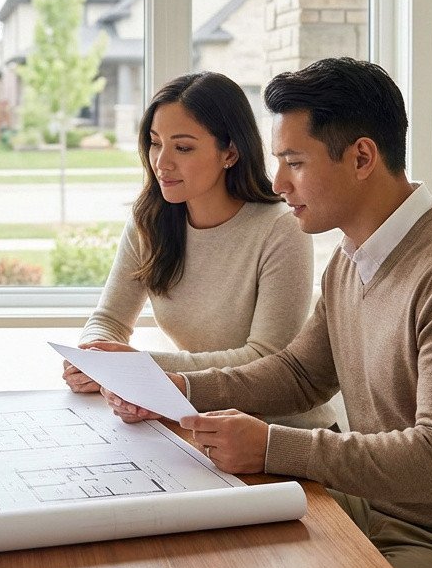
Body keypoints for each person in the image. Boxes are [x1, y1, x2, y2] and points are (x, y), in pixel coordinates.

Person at [105, 58, 432, 568]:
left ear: (362, 157)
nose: (277, 183)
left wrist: (272, 445)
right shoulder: (352, 258)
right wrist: (182, 392)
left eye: (295, 162)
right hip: (385, 513)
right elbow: (300, 373)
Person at [64, 71, 336, 430]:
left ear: (230, 153)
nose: (162, 162)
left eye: (183, 147)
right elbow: (109, 320)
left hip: (282, 433)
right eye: (155, 142)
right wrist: (93, 357)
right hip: (201, 421)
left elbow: (265, 358)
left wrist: (142, 368)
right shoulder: (150, 219)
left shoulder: (280, 228)